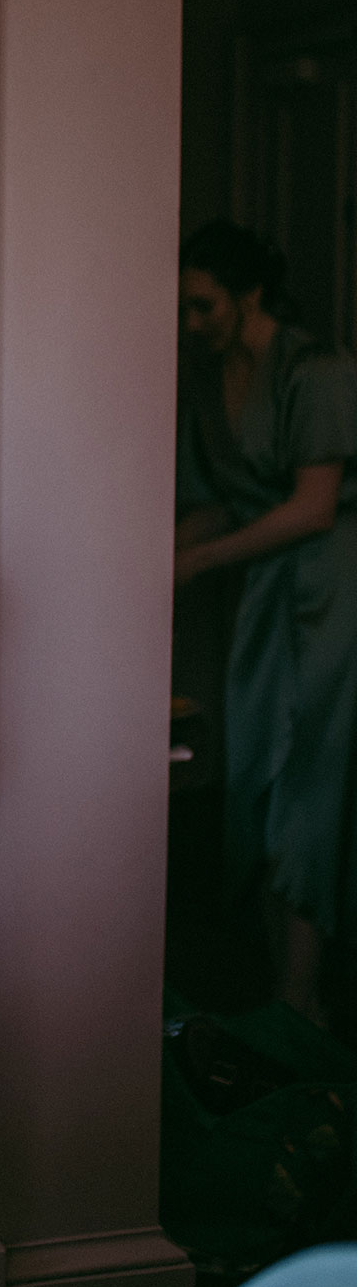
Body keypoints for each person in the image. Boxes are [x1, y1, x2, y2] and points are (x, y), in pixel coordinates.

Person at [176, 219, 357, 1028]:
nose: (191, 324)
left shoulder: (316, 369)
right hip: (259, 590)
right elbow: (218, 505)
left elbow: (314, 507)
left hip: (329, 587)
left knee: (309, 768)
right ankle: (270, 981)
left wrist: (196, 566)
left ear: (249, 295)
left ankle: (303, 994)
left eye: (203, 306)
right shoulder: (205, 377)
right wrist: (136, 571)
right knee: (252, 760)